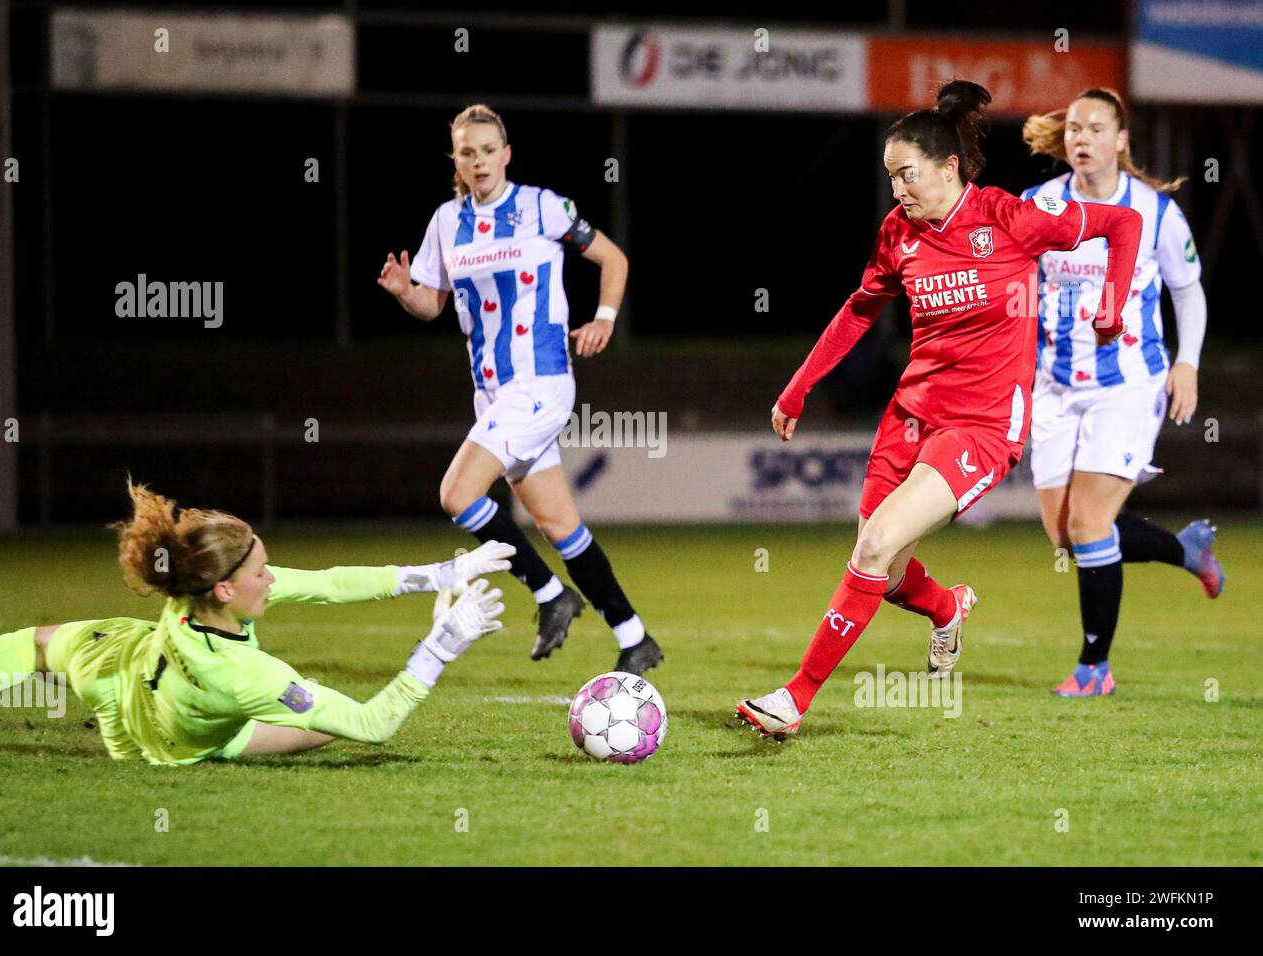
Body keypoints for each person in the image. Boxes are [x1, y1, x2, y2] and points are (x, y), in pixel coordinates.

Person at [736, 80, 1143, 740]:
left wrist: (1113, 304)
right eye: (891, 178)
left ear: (948, 167)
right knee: (887, 569)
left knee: (874, 544)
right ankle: (947, 605)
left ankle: (794, 699)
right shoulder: (900, 232)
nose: (898, 191)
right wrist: (798, 386)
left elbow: (1122, 223)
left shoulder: (1007, 218)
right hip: (910, 414)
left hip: (981, 425)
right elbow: (860, 308)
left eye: (907, 175)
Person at [377, 103, 663, 675]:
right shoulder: (445, 221)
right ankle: (635, 638)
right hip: (491, 394)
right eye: (467, 152)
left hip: (540, 382)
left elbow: (612, 257)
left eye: (488, 150)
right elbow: (432, 303)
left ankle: (550, 595)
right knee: (561, 526)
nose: (479, 161)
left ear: (506, 154)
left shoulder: (541, 206)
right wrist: (406, 292)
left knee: (457, 493)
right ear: (455, 160)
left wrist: (604, 317)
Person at [0, 481, 513, 764]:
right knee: (327, 714)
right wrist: (439, 648)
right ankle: (216, 735)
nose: (272, 578)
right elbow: (375, 726)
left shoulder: (192, 587)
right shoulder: (248, 675)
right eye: (261, 571)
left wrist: (449, 571)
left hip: (117, 669)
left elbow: (329, 583)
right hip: (176, 747)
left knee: (35, 645)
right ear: (226, 589)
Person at [1021, 88, 1224, 698]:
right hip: (1055, 386)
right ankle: (1184, 552)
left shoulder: (1156, 212)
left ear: (1120, 140)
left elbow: (1188, 291)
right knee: (1065, 534)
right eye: (1074, 128)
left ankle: (1094, 669)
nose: (1081, 138)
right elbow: (1021, 295)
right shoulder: (1040, 203)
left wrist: (1186, 365)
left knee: (1087, 522)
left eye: (1094, 128)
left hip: (1130, 385)